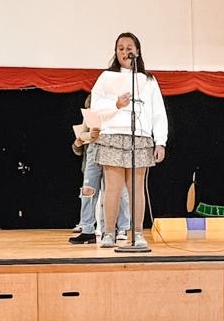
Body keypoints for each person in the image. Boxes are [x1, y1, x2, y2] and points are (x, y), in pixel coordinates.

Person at [90, 31, 167, 250]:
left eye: (129, 48)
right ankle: (109, 233)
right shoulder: (106, 78)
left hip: (139, 137)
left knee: (136, 189)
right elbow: (95, 107)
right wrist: (116, 104)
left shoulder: (147, 80)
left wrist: (160, 141)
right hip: (113, 135)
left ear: (137, 51)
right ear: (116, 52)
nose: (125, 52)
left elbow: (158, 111)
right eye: (120, 48)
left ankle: (138, 233)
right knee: (113, 188)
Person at [69, 99, 130, 244]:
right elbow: (81, 136)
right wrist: (90, 135)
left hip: (112, 149)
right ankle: (87, 230)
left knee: (117, 190)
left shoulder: (117, 111)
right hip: (94, 150)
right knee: (87, 190)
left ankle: (120, 228)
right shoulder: (90, 115)